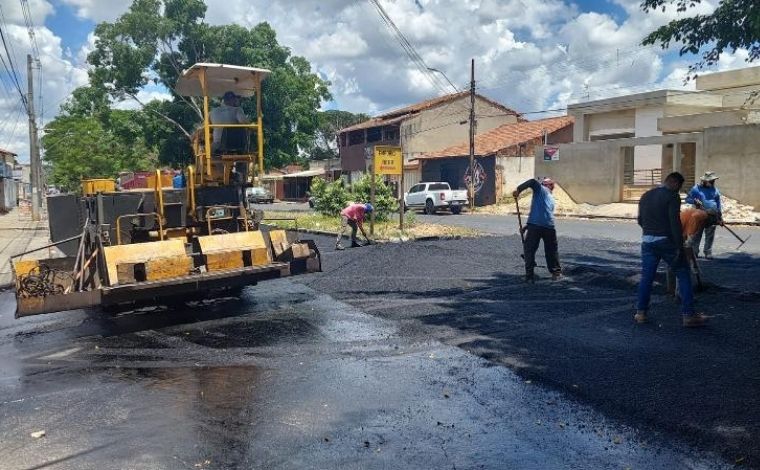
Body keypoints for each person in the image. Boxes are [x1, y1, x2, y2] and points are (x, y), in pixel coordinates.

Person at [636, 172, 708, 327]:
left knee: (646, 278)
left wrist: (651, 231)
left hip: (647, 241)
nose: (679, 191)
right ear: (675, 183)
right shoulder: (672, 196)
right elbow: (674, 223)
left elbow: (640, 220)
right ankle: (688, 315)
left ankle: (640, 313)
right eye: (679, 187)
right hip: (667, 241)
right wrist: (678, 247)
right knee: (683, 274)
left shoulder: (646, 195)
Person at [512, 177, 561, 282]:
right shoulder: (551, 198)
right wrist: (526, 227)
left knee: (529, 250)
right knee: (551, 251)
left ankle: (529, 275)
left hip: (536, 226)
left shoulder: (540, 190)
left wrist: (518, 190)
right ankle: (556, 272)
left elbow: (532, 182)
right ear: (550, 186)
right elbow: (541, 214)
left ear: (544, 185)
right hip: (549, 227)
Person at [685, 171, 723, 259]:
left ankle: (708, 252)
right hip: (699, 214)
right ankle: (694, 252)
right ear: (705, 181)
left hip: (712, 215)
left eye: (713, 180)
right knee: (697, 234)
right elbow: (688, 199)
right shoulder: (696, 189)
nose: (713, 182)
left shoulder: (715, 190)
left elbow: (718, 203)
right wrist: (694, 201)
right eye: (711, 180)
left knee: (710, 235)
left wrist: (720, 216)